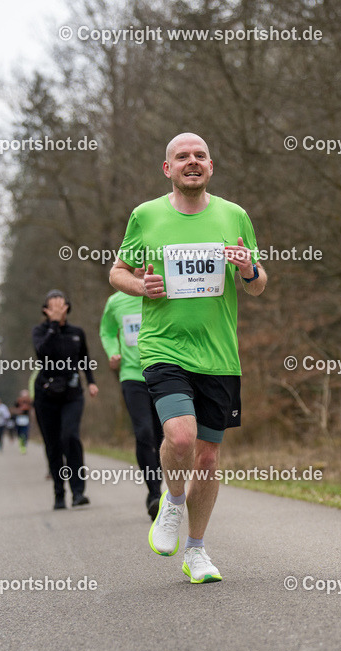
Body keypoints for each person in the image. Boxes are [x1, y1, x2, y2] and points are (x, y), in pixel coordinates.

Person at [109, 132, 267, 583]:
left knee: (208, 458)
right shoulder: (147, 216)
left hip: (218, 355)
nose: (191, 162)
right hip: (163, 348)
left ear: (211, 166)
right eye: (182, 157)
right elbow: (118, 271)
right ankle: (172, 503)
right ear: (168, 169)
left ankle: (197, 551)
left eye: (199, 156)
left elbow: (257, 284)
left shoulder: (234, 215)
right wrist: (142, 286)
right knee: (180, 438)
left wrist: (248, 269)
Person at [100, 287, 164, 519]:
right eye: (134, 262)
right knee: (144, 432)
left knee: (162, 435)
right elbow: (106, 331)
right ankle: (154, 492)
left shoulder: (161, 290)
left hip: (162, 372)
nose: (139, 267)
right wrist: (113, 352)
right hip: (131, 376)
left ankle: (159, 487)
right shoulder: (116, 301)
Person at [32, 289, 99, 510]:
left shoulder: (77, 332)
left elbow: (85, 359)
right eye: (53, 306)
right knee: (52, 444)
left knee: (69, 436)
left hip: (72, 393)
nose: (59, 310)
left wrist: (90, 381)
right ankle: (59, 493)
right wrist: (53, 325)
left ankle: (78, 492)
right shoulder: (40, 331)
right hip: (46, 394)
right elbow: (43, 353)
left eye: (62, 305)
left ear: (68, 307)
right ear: (45, 310)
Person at [12, 390, 33, 454]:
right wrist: (19, 410)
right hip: (19, 419)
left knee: (25, 433)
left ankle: (24, 445)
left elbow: (32, 409)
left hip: (26, 419)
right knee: (19, 433)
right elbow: (14, 409)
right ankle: (21, 442)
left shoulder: (30, 402)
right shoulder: (18, 401)